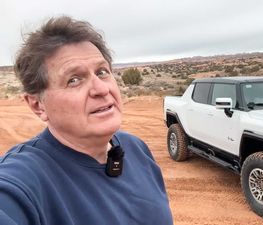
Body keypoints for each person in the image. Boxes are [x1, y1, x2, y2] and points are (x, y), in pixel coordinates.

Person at [0, 16, 173, 225]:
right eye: (74, 80)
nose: (101, 89)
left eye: (102, 72)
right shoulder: (22, 182)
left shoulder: (136, 148)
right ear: (38, 105)